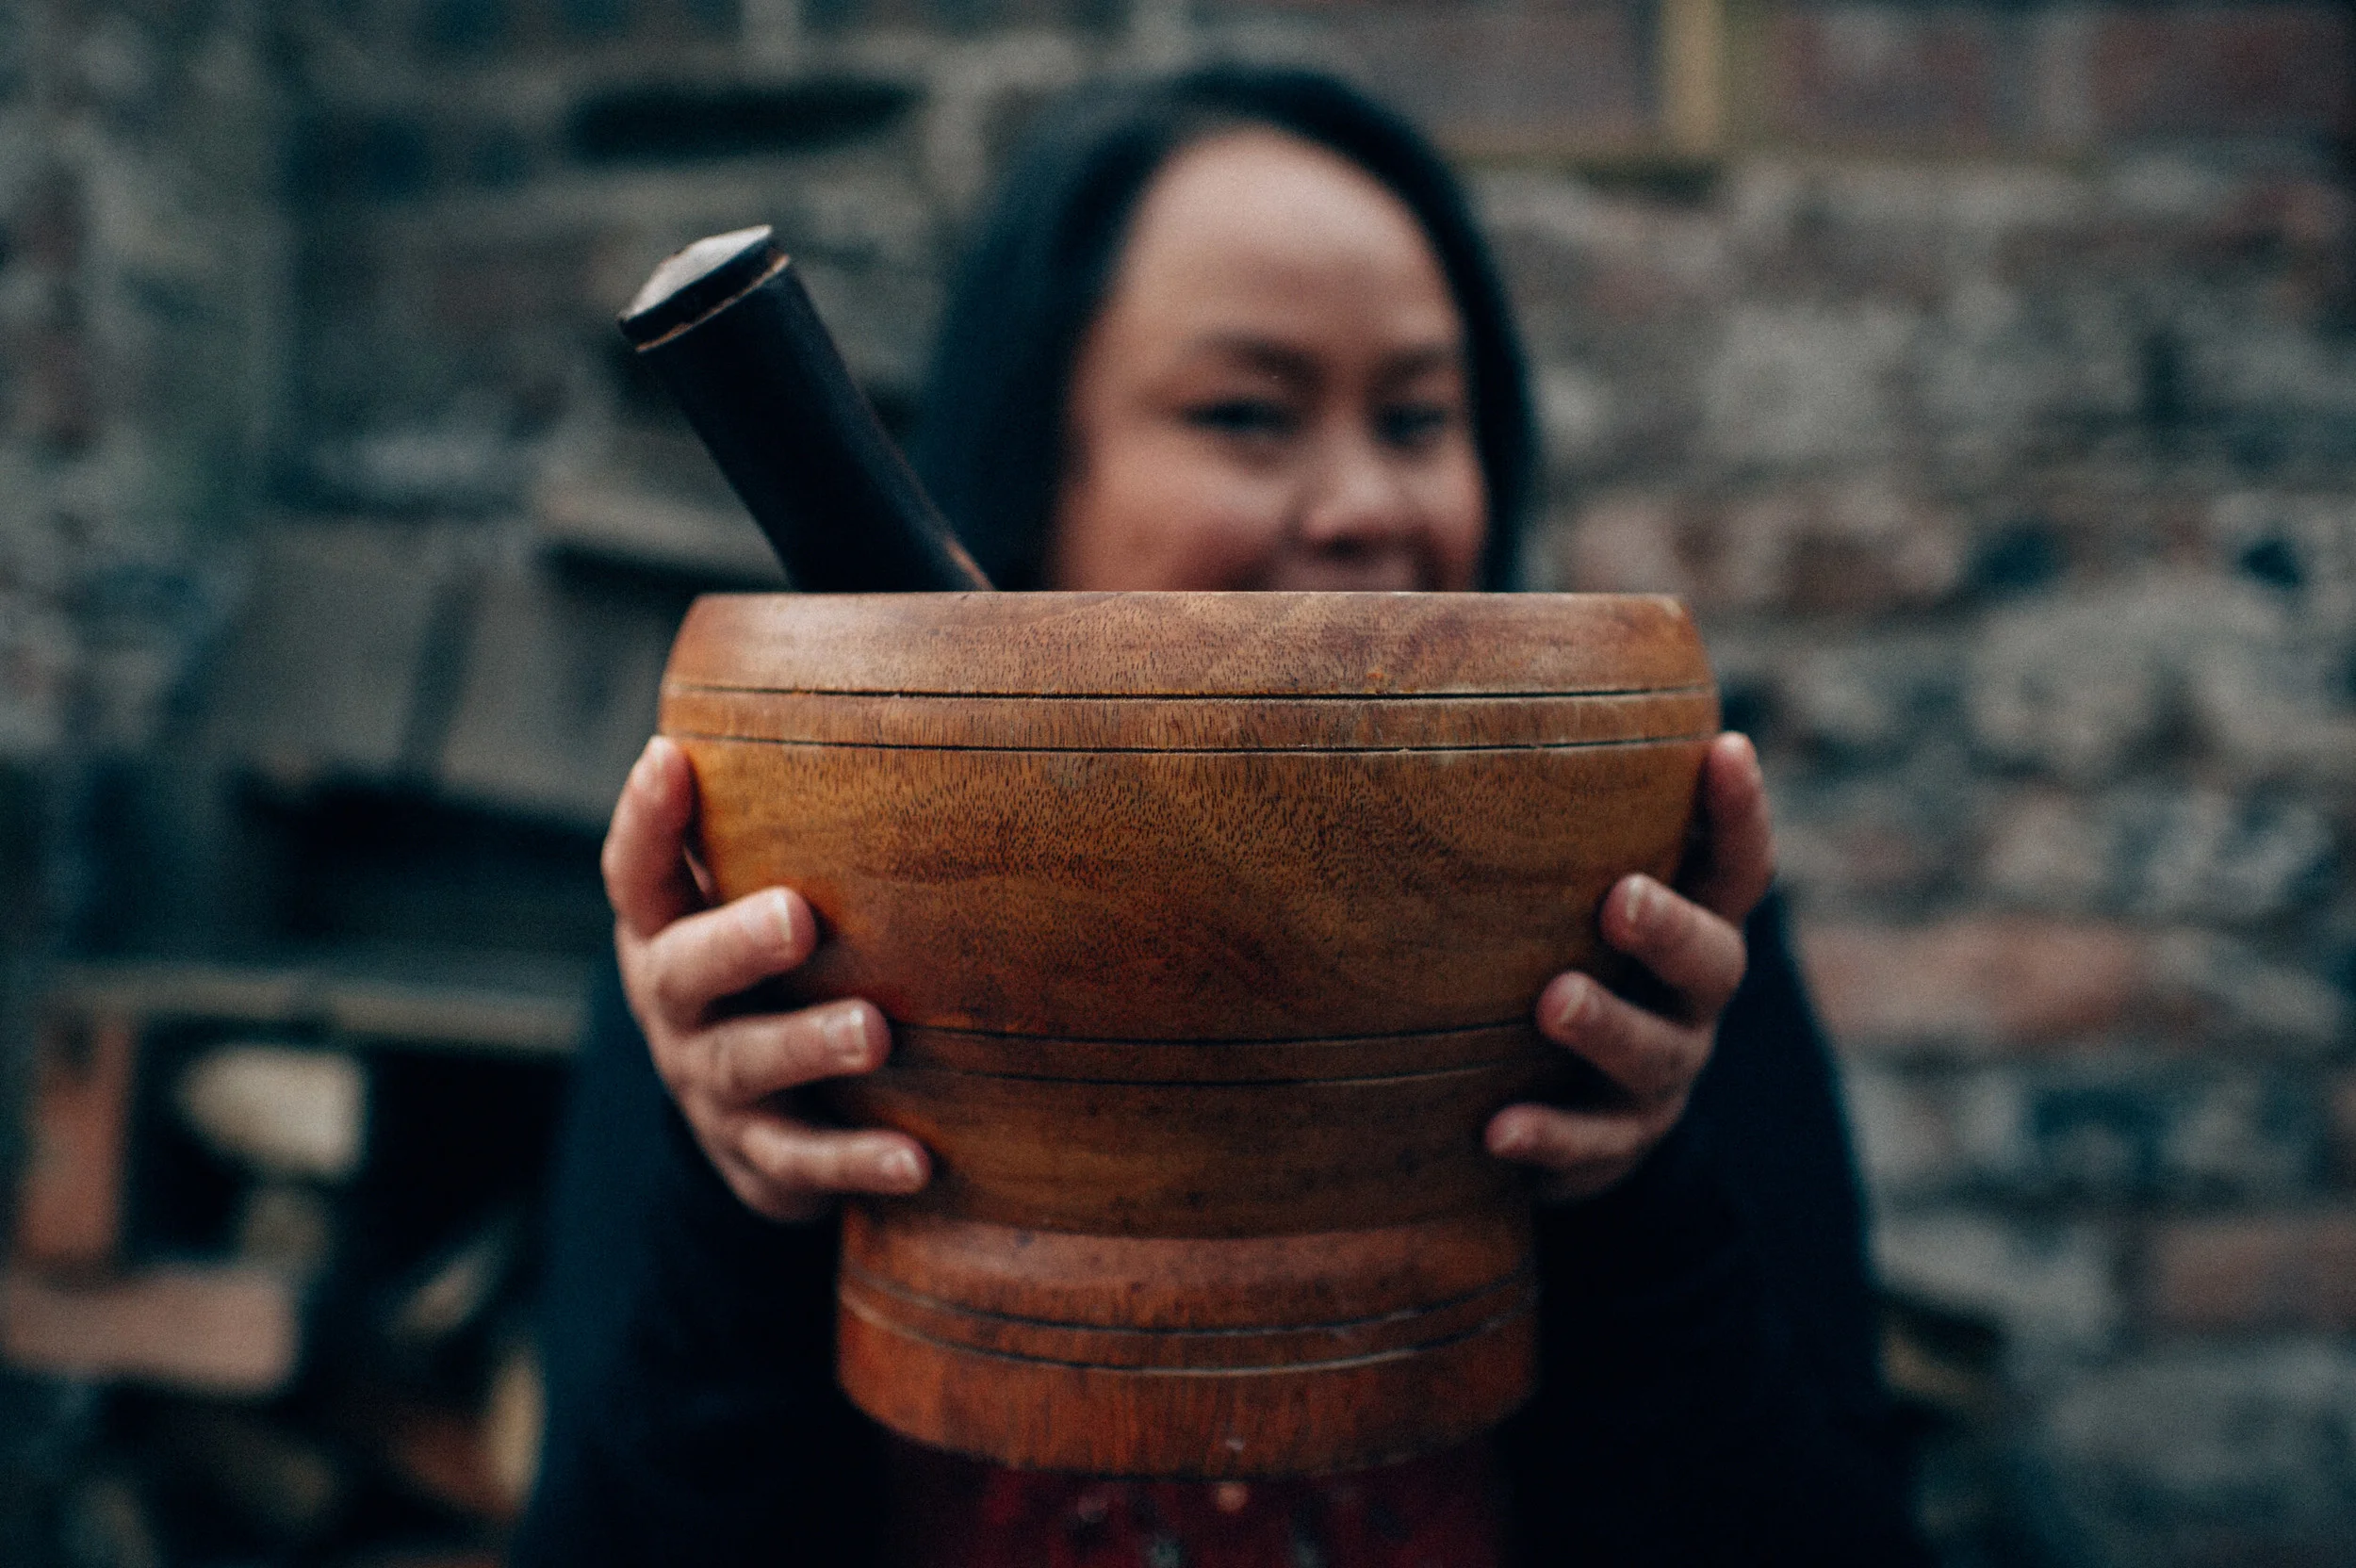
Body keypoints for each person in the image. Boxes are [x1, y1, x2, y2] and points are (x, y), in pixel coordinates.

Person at [517, 66, 1928, 1568]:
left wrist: (1636, 1184)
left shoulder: (1649, 929)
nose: (1366, 502)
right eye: (1248, 413)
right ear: (1038, 471)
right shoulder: (770, 940)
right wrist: (744, 1193)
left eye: (1418, 416)